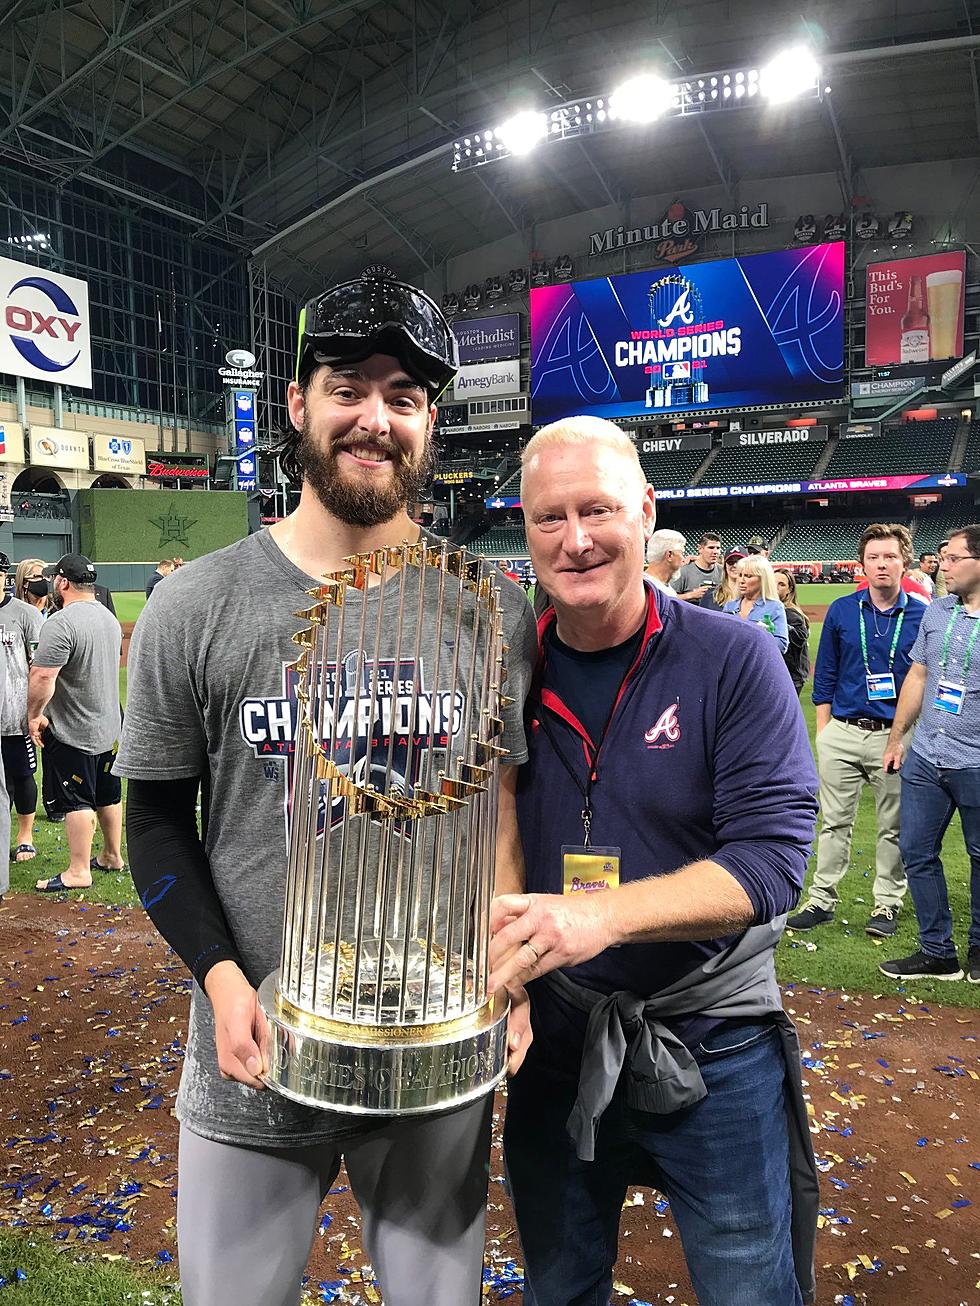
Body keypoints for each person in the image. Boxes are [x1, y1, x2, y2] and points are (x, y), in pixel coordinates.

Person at [113, 272, 537, 1306]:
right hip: (257, 1053)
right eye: (349, 384)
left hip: (436, 1055)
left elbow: (500, 811)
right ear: (297, 403)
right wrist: (219, 983)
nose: (375, 417)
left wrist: (509, 972)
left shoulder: (492, 614)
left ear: (430, 423)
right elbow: (158, 824)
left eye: (404, 395)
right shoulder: (199, 605)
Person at [492, 416, 820, 1306]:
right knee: (558, 1287)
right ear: (524, 530)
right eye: (548, 518)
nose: (576, 539)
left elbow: (775, 858)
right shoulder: (504, 672)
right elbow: (487, 826)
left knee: (751, 1285)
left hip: (712, 1037)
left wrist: (596, 915)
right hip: (556, 1040)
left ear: (645, 510)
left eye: (596, 510)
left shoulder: (733, 657)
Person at [789, 524, 925, 938]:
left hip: (895, 736)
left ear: (905, 561)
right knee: (832, 822)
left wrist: (904, 735)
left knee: (892, 825)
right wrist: (825, 731)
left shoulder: (924, 614)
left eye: (889, 556)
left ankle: (887, 904)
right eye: (873, 557)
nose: (881, 564)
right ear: (862, 564)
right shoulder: (843, 610)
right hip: (843, 732)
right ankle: (822, 899)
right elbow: (825, 673)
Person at [878, 525, 980, 984]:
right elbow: (918, 675)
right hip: (926, 755)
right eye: (944, 557)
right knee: (916, 851)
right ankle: (937, 951)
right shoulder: (938, 611)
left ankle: (979, 951)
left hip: (976, 761)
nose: (945, 566)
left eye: (955, 558)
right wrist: (898, 737)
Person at [28, 554, 125, 892]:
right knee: (109, 794)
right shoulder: (108, 618)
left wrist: (34, 715)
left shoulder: (61, 622)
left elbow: (42, 676)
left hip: (76, 728)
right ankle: (112, 855)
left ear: (63, 583)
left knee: (78, 799)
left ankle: (78, 870)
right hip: (110, 726)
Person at [0, 552, 44, 862]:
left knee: (22, 775)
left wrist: (37, 710)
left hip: (15, 713)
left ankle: (25, 836)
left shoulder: (25, 614)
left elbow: (41, 664)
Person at [721, 555, 789, 654]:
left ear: (763, 579)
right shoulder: (729, 606)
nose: (741, 581)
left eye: (748, 576)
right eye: (740, 575)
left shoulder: (774, 607)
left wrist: (754, 641)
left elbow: (781, 645)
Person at [775, 568, 811, 696]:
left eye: (781, 584)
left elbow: (799, 640)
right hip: (784, 674)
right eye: (772, 583)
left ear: (789, 589)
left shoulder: (791, 614)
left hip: (790, 676)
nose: (775, 587)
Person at [672, 531, 722, 602]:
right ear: (700, 548)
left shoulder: (723, 571)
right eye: (711, 547)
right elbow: (670, 597)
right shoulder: (684, 570)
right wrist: (691, 595)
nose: (715, 552)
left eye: (718, 548)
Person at [699, 546, 743, 612]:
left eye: (740, 562)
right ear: (725, 565)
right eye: (731, 562)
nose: (735, 565)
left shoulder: (754, 597)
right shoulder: (711, 595)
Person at [644, 528, 686, 594]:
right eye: (682, 553)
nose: (683, 559)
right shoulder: (647, 590)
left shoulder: (661, 586)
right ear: (669, 555)